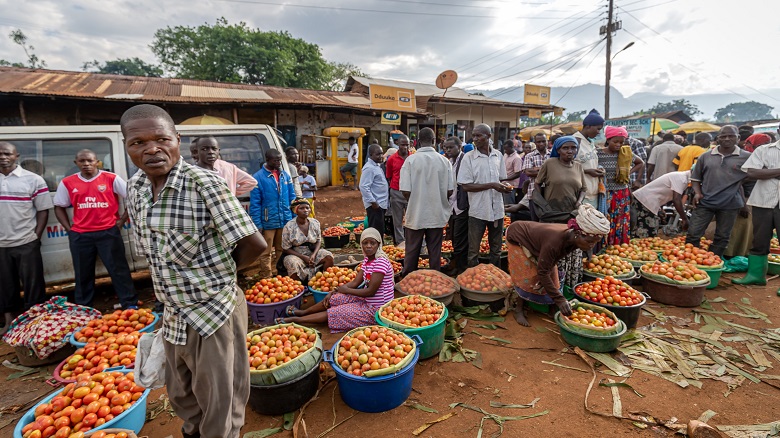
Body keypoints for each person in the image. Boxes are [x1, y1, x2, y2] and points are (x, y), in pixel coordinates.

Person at [121, 104, 266, 438]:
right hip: (172, 312)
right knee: (182, 396)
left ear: (177, 139)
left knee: (221, 406)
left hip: (213, 312)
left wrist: (220, 276)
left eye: (161, 138)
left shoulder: (204, 184)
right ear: (127, 146)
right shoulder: (137, 189)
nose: (151, 149)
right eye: (138, 142)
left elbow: (254, 245)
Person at [53, 149, 138, 309]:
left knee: (119, 270)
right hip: (80, 235)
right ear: (76, 163)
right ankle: (84, 309)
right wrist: (69, 229)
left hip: (108, 232)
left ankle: (130, 304)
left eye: (90, 161)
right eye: (82, 161)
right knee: (82, 274)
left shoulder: (111, 178)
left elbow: (133, 197)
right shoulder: (68, 182)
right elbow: (59, 206)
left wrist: (121, 221)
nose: (86, 164)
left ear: (97, 161)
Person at [506, 204, 610, 327]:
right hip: (517, 236)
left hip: (538, 243)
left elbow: (556, 258)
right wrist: (560, 300)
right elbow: (543, 271)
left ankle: (552, 309)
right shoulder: (555, 241)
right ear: (578, 234)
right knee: (529, 275)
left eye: (594, 243)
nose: (591, 246)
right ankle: (519, 308)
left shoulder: (574, 239)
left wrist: (547, 273)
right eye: (589, 242)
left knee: (553, 276)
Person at [281, 228, 394, 331]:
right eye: (365, 243)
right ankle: (302, 312)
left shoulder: (380, 262)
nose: (369, 246)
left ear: (378, 244)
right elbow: (355, 283)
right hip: (366, 301)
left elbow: (370, 292)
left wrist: (345, 290)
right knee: (334, 299)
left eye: (372, 243)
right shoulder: (367, 260)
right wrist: (334, 291)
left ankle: (296, 320)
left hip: (377, 310)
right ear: (361, 244)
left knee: (335, 312)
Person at [0, 142, 52, 335]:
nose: (3, 157)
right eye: (0, 154)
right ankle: (9, 323)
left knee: (33, 285)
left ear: (16, 156)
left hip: (25, 241)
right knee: (4, 284)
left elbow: (43, 210)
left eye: (7, 153)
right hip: (1, 244)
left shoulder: (33, 180)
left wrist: (35, 237)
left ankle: (35, 323)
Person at [686, 125, 751, 257]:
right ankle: (692, 260)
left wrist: (744, 203)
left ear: (738, 138)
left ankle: (713, 262)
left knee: (722, 237)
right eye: (723, 136)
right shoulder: (705, 156)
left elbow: (748, 180)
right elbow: (695, 178)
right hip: (705, 202)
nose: (727, 139)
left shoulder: (747, 157)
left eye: (731, 136)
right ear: (717, 139)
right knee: (693, 234)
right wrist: (698, 193)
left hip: (730, 204)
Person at [534, 136, 588, 288]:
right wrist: (543, 205)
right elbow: (537, 184)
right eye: (565, 148)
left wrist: (579, 201)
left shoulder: (578, 166)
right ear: (558, 150)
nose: (570, 151)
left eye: (573, 148)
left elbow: (583, 188)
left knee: (570, 248)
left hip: (571, 214)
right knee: (552, 249)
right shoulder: (550, 164)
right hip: (551, 214)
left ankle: (567, 286)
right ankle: (549, 287)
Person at [399, 127, 454, 275]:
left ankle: (408, 280)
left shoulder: (410, 161)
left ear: (417, 142)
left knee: (412, 250)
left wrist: (417, 201)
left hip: (416, 213)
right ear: (434, 141)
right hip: (437, 212)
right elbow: (450, 190)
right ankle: (435, 281)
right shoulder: (445, 162)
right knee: (435, 252)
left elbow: (405, 190)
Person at [457, 124, 512, 268]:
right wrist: (492, 185)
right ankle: (473, 278)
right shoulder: (469, 157)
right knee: (473, 251)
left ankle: (495, 276)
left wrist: (504, 187)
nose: (475, 139)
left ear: (488, 136)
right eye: (474, 135)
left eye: (478, 136)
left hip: (497, 210)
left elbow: (501, 180)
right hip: (478, 211)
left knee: (496, 250)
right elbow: (465, 186)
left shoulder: (498, 155)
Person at [732, 126, 780, 288]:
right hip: (763, 201)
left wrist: (768, 171)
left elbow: (760, 173)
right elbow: (751, 173)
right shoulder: (764, 150)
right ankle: (756, 275)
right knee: (759, 240)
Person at [250, 149, 296, 279]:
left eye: (280, 160)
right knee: (266, 251)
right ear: (268, 159)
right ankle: (267, 276)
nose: (279, 162)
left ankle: (280, 273)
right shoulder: (258, 177)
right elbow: (255, 204)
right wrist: (258, 224)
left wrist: (293, 217)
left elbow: (292, 197)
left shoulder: (285, 175)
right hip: (268, 221)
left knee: (282, 249)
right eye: (275, 160)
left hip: (285, 220)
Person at [597, 126, 644, 245]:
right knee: (606, 219)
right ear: (608, 140)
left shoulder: (626, 153)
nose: (618, 145)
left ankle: (618, 246)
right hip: (606, 193)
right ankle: (605, 246)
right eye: (615, 142)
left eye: (621, 142)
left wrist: (628, 172)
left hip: (622, 193)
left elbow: (640, 163)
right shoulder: (599, 154)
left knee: (620, 220)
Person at [281, 199, 334, 282]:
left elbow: (318, 241)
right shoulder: (289, 226)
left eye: (307, 208)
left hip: (312, 252)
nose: (305, 210)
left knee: (328, 256)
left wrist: (313, 255)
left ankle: (325, 281)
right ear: (296, 211)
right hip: (296, 255)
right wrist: (303, 257)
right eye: (301, 208)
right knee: (292, 262)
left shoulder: (315, 223)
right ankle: (299, 286)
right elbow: (285, 248)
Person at [631, 170, 691, 238]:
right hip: (645, 200)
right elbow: (676, 199)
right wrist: (685, 219)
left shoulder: (683, 178)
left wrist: (660, 209)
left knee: (645, 229)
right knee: (649, 232)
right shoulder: (681, 178)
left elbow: (661, 190)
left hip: (647, 200)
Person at [192, 136, 257, 196]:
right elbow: (251, 182)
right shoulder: (192, 172)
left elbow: (252, 182)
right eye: (204, 149)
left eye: (214, 149)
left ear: (218, 151)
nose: (210, 152)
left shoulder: (230, 167)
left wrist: (232, 194)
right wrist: (232, 194)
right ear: (197, 151)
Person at [443, 137, 469, 275]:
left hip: (461, 206)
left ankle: (461, 268)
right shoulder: (449, 162)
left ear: (459, 146)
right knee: (453, 237)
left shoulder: (465, 160)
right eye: (446, 147)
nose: (447, 150)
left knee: (459, 239)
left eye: (450, 147)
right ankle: (457, 265)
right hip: (452, 206)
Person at [573, 110, 605, 208]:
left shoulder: (590, 143)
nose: (598, 132)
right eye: (598, 129)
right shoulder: (575, 142)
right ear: (588, 126)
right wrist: (587, 171)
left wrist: (598, 169)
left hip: (593, 193)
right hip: (580, 196)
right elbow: (564, 167)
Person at [359, 143, 389, 235]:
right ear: (371, 154)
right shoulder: (369, 168)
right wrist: (373, 201)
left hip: (380, 204)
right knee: (376, 231)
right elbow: (363, 186)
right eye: (377, 154)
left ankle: (379, 247)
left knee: (379, 229)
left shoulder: (376, 166)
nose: (380, 156)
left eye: (381, 153)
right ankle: (376, 248)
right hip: (375, 205)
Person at [386, 134, 410, 245]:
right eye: (402, 145)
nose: (405, 147)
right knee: (397, 220)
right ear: (397, 144)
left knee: (412, 219)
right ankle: (401, 243)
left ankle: (412, 242)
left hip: (410, 193)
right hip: (396, 192)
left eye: (407, 145)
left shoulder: (413, 158)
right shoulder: (391, 159)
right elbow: (389, 176)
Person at [521, 133, 551, 220]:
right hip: (533, 194)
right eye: (538, 142)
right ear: (535, 143)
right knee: (535, 221)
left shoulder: (552, 155)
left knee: (548, 221)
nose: (541, 144)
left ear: (547, 142)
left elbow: (554, 172)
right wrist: (546, 171)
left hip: (550, 194)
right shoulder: (529, 156)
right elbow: (528, 172)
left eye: (543, 141)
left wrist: (536, 169)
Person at [501, 140, 524, 205]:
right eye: (504, 149)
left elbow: (518, 173)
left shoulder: (516, 158)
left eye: (506, 149)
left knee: (508, 204)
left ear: (511, 147)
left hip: (511, 185)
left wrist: (504, 178)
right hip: (503, 184)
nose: (505, 151)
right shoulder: (505, 155)